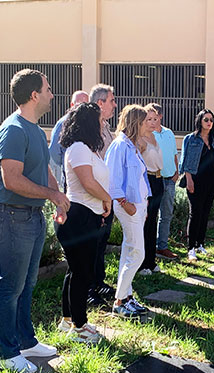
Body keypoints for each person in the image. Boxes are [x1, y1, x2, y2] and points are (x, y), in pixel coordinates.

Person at [0, 69, 68, 373]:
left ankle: (25, 341)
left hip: (32, 217)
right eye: (48, 89)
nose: (52, 94)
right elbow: (11, 179)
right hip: (12, 216)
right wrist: (50, 193)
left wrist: (57, 197)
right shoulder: (14, 130)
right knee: (11, 287)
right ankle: (5, 352)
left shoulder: (36, 130)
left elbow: (43, 170)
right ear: (34, 95)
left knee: (27, 284)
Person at [54, 102, 110, 345]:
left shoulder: (88, 149)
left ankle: (68, 319)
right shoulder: (77, 148)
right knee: (82, 273)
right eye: (99, 121)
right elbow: (87, 183)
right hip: (79, 215)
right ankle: (79, 326)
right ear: (88, 122)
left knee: (76, 270)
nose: (103, 124)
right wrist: (107, 198)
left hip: (89, 214)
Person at [105, 104, 152, 318]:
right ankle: (120, 300)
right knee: (138, 253)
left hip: (138, 206)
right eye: (144, 122)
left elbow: (140, 178)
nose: (148, 125)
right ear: (136, 123)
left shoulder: (132, 145)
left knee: (129, 251)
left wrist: (145, 202)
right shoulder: (120, 146)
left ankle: (127, 296)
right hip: (129, 207)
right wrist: (125, 203)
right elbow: (112, 179)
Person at [180, 109, 214, 261]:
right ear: (200, 121)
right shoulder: (191, 139)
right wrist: (189, 179)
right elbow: (185, 160)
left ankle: (200, 244)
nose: (209, 122)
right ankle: (191, 247)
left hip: (212, 181)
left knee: (205, 213)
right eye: (206, 119)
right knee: (195, 213)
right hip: (195, 180)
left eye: (211, 120)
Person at [88, 84, 118, 304]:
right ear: (100, 103)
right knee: (91, 243)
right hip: (93, 196)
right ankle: (89, 290)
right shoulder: (88, 128)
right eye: (111, 100)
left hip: (107, 195)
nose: (115, 105)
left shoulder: (105, 126)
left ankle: (99, 282)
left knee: (102, 242)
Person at [138, 104, 165, 275]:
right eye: (148, 119)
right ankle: (142, 264)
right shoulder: (140, 140)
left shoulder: (156, 137)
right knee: (145, 222)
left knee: (153, 221)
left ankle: (151, 260)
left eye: (154, 119)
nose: (152, 122)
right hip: (146, 179)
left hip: (158, 179)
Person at [152, 103, 180, 261]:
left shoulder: (169, 133)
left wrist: (176, 172)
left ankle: (162, 246)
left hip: (170, 179)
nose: (153, 121)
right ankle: (150, 246)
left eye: (155, 117)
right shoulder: (147, 134)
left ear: (160, 116)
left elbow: (174, 154)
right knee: (152, 214)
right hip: (155, 179)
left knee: (166, 214)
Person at [48, 90, 89, 187]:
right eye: (80, 104)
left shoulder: (89, 125)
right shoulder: (63, 123)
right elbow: (54, 151)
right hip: (70, 178)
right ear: (72, 105)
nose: (82, 108)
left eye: (86, 105)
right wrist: (64, 161)